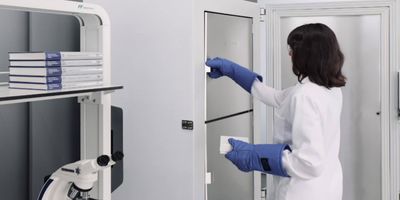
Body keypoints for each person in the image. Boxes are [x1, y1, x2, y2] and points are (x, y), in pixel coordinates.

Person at [206, 23, 346, 200]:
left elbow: (309, 163)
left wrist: (255, 155)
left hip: (301, 191)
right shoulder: (329, 89)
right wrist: (233, 70)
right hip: (327, 186)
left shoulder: (305, 95)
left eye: (293, 49)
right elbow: (275, 97)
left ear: (307, 54)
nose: (289, 54)